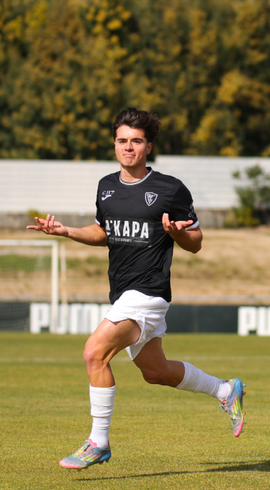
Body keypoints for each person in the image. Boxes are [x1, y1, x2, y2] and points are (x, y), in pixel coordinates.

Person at [27, 108, 245, 470]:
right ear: (114, 144)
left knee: (94, 353)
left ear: (149, 147)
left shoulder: (170, 188)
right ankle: (225, 389)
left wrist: (177, 234)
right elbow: (104, 233)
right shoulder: (106, 186)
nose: (128, 147)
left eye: (136, 141)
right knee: (155, 372)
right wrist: (65, 231)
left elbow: (196, 242)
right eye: (122, 140)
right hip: (122, 292)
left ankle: (98, 442)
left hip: (149, 292)